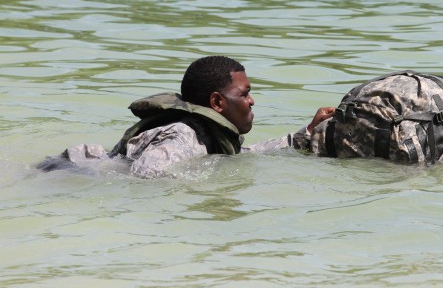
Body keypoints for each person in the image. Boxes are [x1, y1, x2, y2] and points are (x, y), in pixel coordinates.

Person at [38, 56, 335, 178]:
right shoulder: (183, 134)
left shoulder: (201, 133)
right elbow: (145, 177)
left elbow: (245, 154)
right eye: (244, 94)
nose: (251, 100)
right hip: (67, 173)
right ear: (217, 102)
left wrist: (307, 132)